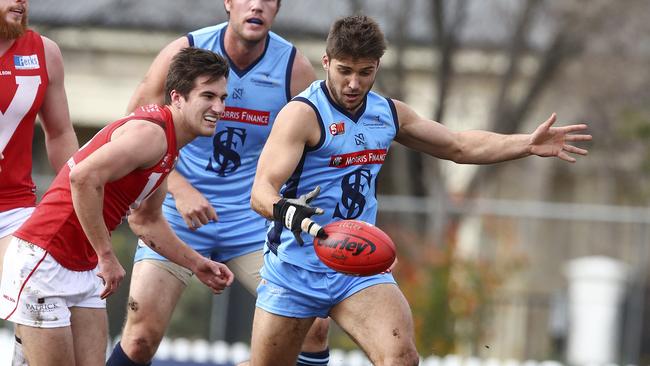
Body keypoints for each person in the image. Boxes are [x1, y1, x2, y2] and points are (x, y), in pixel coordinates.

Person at [249, 15, 592, 366]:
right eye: (344, 71)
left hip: (357, 265)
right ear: (326, 62)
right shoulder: (302, 115)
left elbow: (459, 146)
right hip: (296, 268)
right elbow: (261, 191)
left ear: (378, 67)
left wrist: (527, 144)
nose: (353, 83)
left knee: (401, 357)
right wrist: (289, 213)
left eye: (365, 72)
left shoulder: (387, 114)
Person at [107, 1, 330, 366]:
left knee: (313, 327)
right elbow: (134, 126)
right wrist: (178, 187)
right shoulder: (186, 51)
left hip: (251, 221)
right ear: (227, 2)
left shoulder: (293, 68)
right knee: (141, 337)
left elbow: (318, 143)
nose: (256, 5)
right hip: (177, 218)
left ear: (277, 8)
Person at [0, 47, 236, 366]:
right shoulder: (152, 134)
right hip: (44, 261)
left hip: (83, 268)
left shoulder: (170, 148)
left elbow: (146, 222)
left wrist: (196, 263)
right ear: (177, 97)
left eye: (223, 97)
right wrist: (107, 255)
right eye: (208, 96)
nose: (218, 107)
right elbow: (83, 178)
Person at [0, 0, 79, 363]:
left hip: (15, 208)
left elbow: (60, 133)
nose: (21, 2)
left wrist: (77, 201)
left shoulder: (44, 51)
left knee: (36, 289)